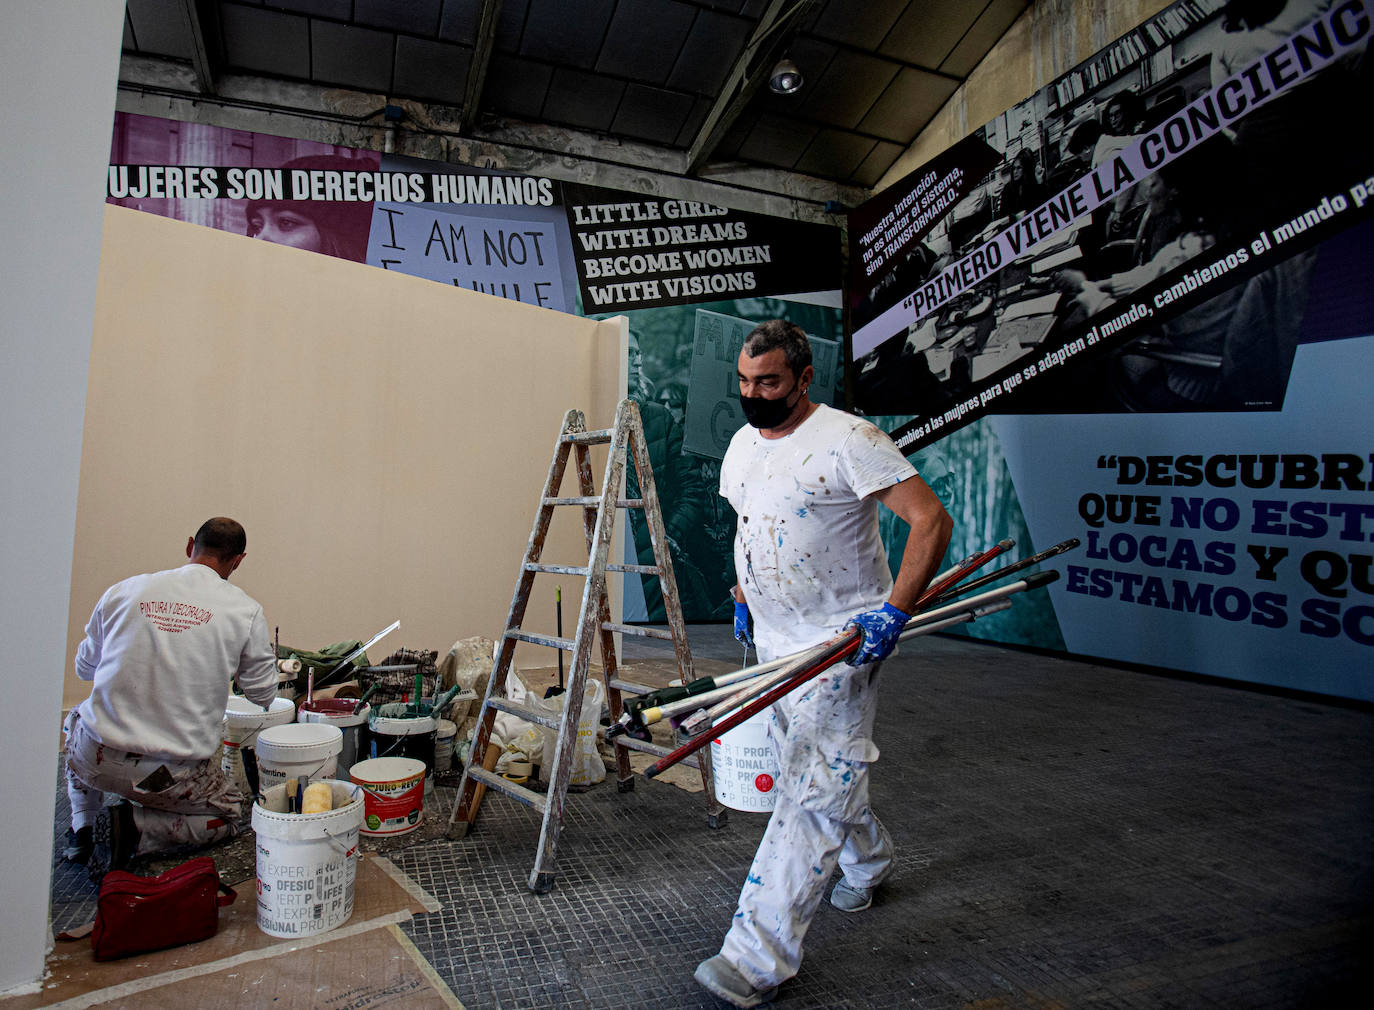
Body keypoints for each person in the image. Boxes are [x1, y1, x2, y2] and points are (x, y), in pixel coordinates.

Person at [694, 321, 953, 1007]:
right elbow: (750, 524)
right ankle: (869, 862)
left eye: (769, 383)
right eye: (745, 383)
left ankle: (755, 958)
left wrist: (894, 611)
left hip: (841, 642)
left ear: (803, 379)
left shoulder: (850, 439)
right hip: (775, 643)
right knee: (816, 767)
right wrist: (746, 593)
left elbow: (930, 521)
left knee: (811, 789)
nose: (754, 395)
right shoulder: (744, 443)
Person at [64, 517, 279, 879]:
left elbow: (85, 668)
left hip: (92, 757)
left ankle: (82, 827)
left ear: (190, 545)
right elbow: (263, 695)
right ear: (238, 560)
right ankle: (136, 829)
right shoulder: (244, 611)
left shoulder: (123, 590)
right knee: (230, 814)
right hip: (167, 777)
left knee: (76, 722)